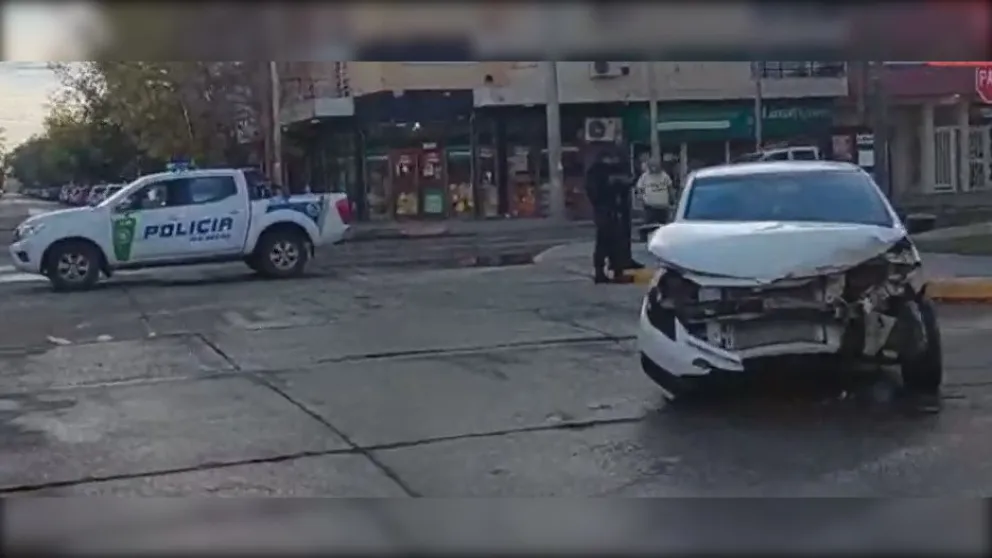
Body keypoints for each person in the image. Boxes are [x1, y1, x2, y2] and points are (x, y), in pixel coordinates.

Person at [585, 152, 632, 284]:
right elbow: (594, 192)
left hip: (613, 210)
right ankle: (603, 271)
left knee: (616, 242)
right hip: (605, 210)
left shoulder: (612, 170)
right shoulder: (597, 172)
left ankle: (616, 271)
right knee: (605, 241)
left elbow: (625, 185)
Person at [635, 156, 674, 225]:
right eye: (652, 166)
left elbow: (670, 188)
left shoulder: (664, 176)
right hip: (650, 207)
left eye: (656, 166)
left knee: (663, 226)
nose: (654, 168)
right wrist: (641, 197)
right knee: (647, 226)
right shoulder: (645, 176)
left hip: (663, 207)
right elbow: (639, 188)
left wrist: (671, 199)